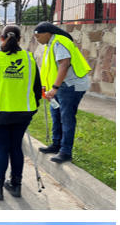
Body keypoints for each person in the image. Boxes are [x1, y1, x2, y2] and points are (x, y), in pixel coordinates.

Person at [0, 25, 42, 201]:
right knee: (16, 147)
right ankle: (15, 185)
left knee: (3, 148)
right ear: (20, 39)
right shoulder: (29, 58)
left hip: (0, 111)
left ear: (1, 37)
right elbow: (37, 88)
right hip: (23, 112)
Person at [34, 22, 91, 164]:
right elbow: (52, 69)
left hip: (71, 85)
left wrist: (54, 88)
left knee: (66, 118)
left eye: (38, 36)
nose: (37, 39)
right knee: (56, 115)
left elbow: (65, 65)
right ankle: (56, 144)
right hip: (60, 86)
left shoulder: (59, 42)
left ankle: (65, 151)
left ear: (47, 33)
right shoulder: (51, 44)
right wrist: (48, 89)